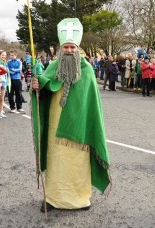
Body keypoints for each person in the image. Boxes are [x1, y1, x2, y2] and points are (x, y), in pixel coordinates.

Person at [31, 18, 111, 213]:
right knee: (56, 161)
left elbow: (91, 103)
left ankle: (80, 199)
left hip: (80, 127)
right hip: (55, 126)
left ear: (78, 48)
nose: (68, 50)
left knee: (77, 163)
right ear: (60, 48)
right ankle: (52, 198)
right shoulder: (53, 67)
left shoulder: (88, 70)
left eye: (72, 47)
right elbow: (45, 89)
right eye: (65, 47)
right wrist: (37, 85)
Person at [0, 50, 9, 118]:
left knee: (2, 98)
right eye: (3, 55)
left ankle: (0, 112)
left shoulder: (5, 63)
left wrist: (6, 83)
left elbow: (6, 73)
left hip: (4, 82)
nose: (4, 56)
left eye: (5, 55)